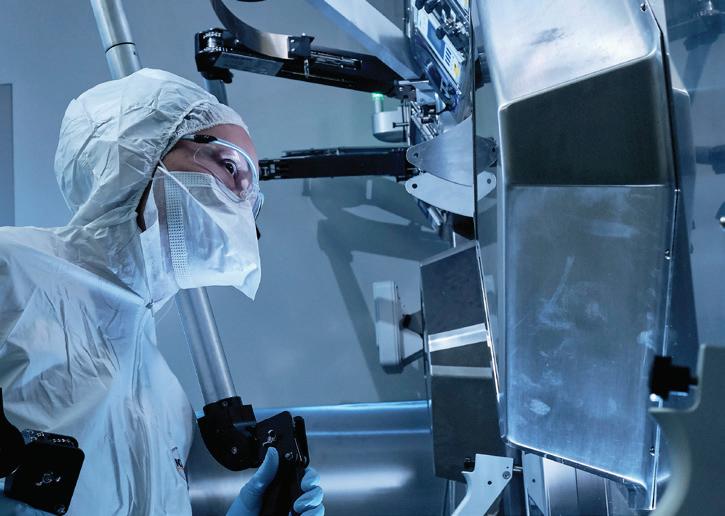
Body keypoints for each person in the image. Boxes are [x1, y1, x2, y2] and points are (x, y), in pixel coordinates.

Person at [0, 68, 324, 515]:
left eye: (253, 196)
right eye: (230, 166)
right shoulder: (11, 269)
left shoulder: (169, 402)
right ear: (137, 152)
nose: (243, 199)